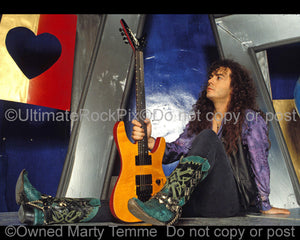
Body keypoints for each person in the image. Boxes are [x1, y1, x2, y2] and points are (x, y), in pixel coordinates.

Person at [127, 59, 290, 225]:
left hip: (229, 202)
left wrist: (264, 204)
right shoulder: (202, 121)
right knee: (122, 207)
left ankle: (166, 203)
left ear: (235, 87)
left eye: (219, 77)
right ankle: (109, 207)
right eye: (211, 77)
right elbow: (174, 151)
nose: (210, 80)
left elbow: (259, 163)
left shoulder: (251, 119)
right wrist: (150, 141)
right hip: (199, 201)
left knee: (208, 137)